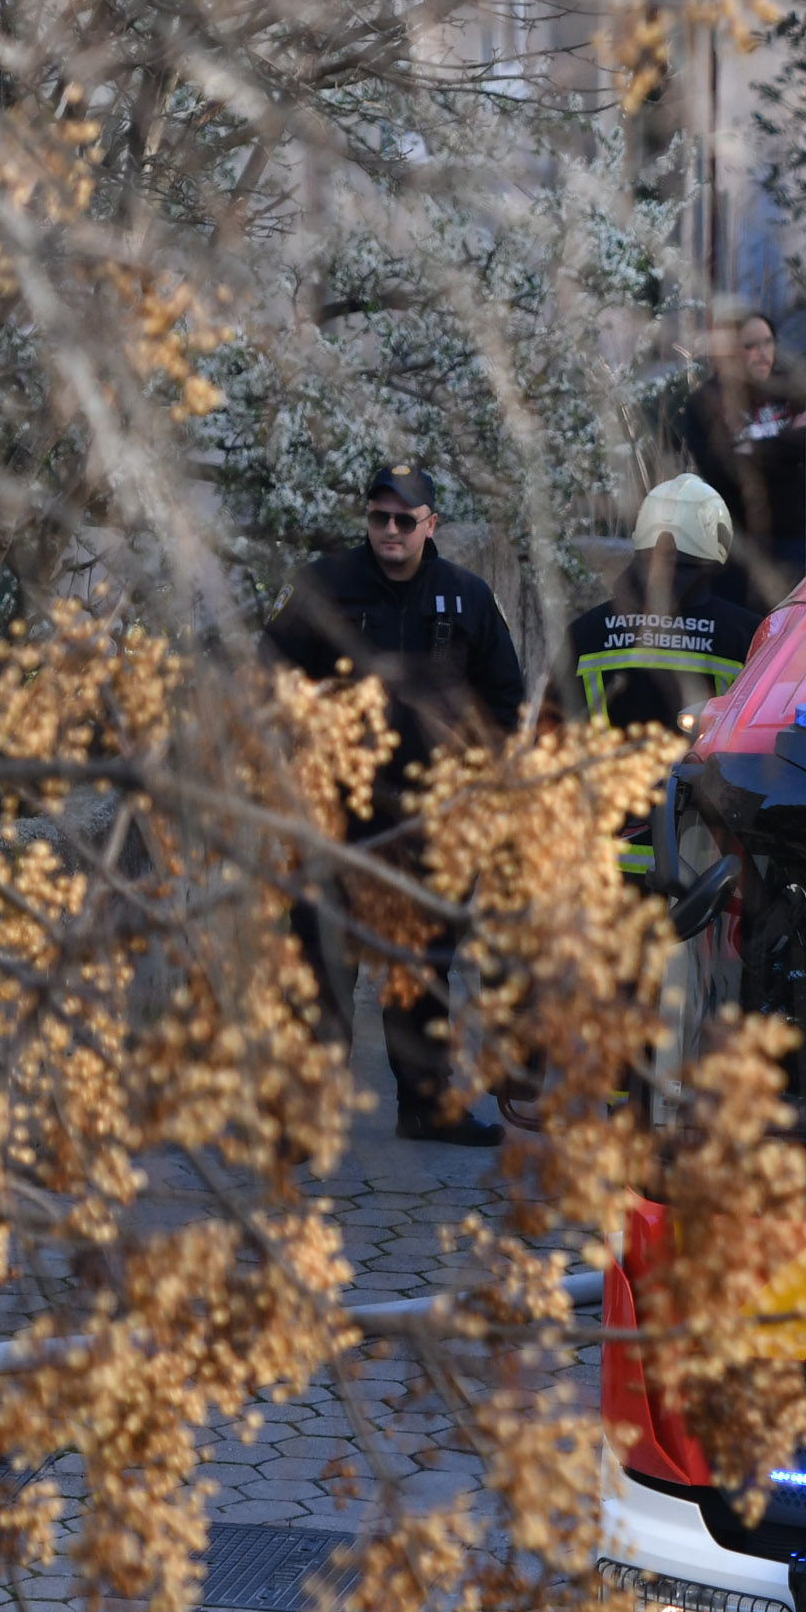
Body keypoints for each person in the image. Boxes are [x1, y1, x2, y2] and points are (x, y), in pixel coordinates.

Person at [269, 460, 531, 1147]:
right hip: (335, 812)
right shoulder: (326, 586)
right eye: (379, 517)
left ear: (430, 525)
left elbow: (505, 698)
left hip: (430, 820)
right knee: (322, 965)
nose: (390, 529)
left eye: (404, 519)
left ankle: (425, 1108)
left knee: (424, 973)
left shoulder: (466, 598)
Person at [560, 473, 772, 878]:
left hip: (600, 862)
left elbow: (546, 736)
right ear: (716, 542)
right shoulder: (749, 636)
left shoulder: (585, 632)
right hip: (706, 867)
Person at [677, 311, 806, 588]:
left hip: (795, 535)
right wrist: (788, 443)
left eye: (768, 342)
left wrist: (751, 449)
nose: (763, 353)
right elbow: (722, 471)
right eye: (750, 346)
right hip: (740, 543)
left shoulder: (793, 390)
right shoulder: (705, 404)